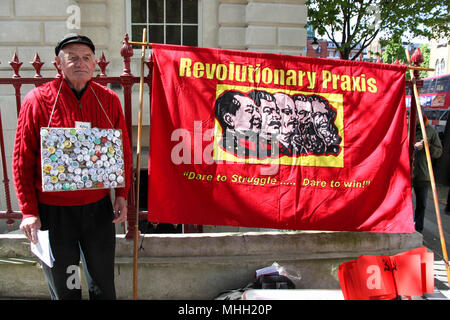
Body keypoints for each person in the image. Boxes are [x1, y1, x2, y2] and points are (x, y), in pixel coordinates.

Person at [12, 34, 132, 299]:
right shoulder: (37, 100)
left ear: (94, 63)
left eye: (86, 57)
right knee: (67, 289)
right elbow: (22, 159)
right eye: (73, 58)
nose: (81, 63)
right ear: (58, 63)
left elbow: (122, 150)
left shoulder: (108, 99)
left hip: (97, 210)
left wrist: (122, 194)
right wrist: (29, 211)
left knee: (103, 286)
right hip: (53, 213)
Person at [412, 114, 442, 233]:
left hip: (423, 174)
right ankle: (405, 226)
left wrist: (428, 147)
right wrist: (414, 147)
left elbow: (439, 152)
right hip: (407, 173)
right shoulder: (407, 128)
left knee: (421, 204)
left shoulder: (430, 131)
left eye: (415, 117)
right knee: (404, 204)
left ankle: (418, 229)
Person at [215, 90, 261, 157]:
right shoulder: (225, 150)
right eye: (250, 111)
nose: (258, 116)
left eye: (257, 110)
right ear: (229, 119)